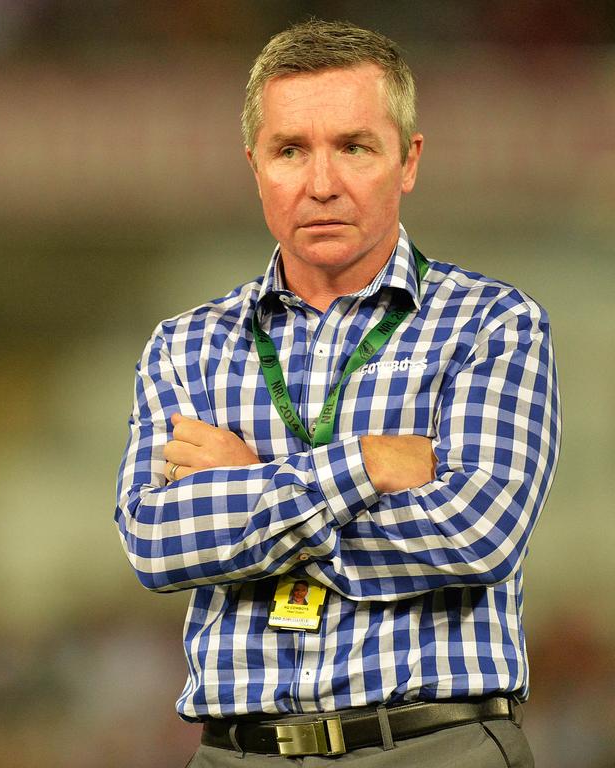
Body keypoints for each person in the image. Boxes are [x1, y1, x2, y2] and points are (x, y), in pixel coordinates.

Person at [114, 19, 560, 767]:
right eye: (291, 150)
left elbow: (474, 535)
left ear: (408, 160)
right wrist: (367, 465)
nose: (322, 183)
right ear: (254, 162)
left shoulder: (493, 325)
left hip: (437, 746)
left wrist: (246, 491)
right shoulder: (184, 345)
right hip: (236, 752)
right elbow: (156, 544)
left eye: (354, 146)